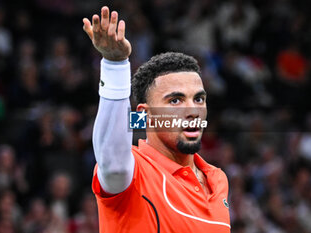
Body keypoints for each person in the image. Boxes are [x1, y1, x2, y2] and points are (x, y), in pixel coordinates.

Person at [82, 6, 230, 233]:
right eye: (175, 101)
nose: (193, 110)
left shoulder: (218, 179)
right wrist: (115, 65)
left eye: (199, 99)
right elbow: (112, 165)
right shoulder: (133, 172)